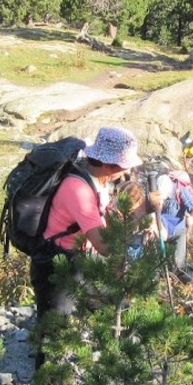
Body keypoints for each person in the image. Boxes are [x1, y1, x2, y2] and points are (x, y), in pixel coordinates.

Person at [29, 126, 158, 367]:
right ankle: (46, 380)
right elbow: (105, 245)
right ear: (109, 165)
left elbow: (106, 230)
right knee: (53, 334)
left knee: (117, 304)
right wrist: (144, 210)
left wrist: (138, 213)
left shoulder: (96, 182)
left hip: (80, 257)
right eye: (125, 166)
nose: (128, 171)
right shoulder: (78, 189)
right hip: (56, 265)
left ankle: (115, 362)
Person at [153, 164, 193, 270]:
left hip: (177, 231)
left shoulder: (180, 191)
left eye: (164, 197)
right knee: (155, 265)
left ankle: (180, 273)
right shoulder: (153, 191)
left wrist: (192, 218)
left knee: (179, 266)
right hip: (159, 230)